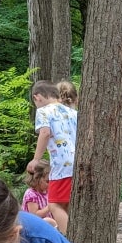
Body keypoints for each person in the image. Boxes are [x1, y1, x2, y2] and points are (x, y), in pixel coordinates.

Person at [26, 80, 77, 234]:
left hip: (61, 165)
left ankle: (69, 240)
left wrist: (36, 159)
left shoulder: (43, 112)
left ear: (37, 97)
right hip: (78, 162)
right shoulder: (73, 112)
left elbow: (45, 133)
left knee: (54, 204)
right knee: (66, 203)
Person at [22, 159, 58, 227]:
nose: (50, 184)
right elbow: (35, 215)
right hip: (34, 227)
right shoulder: (31, 194)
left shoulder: (47, 191)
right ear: (37, 179)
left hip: (48, 225)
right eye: (47, 181)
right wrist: (49, 207)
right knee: (47, 220)